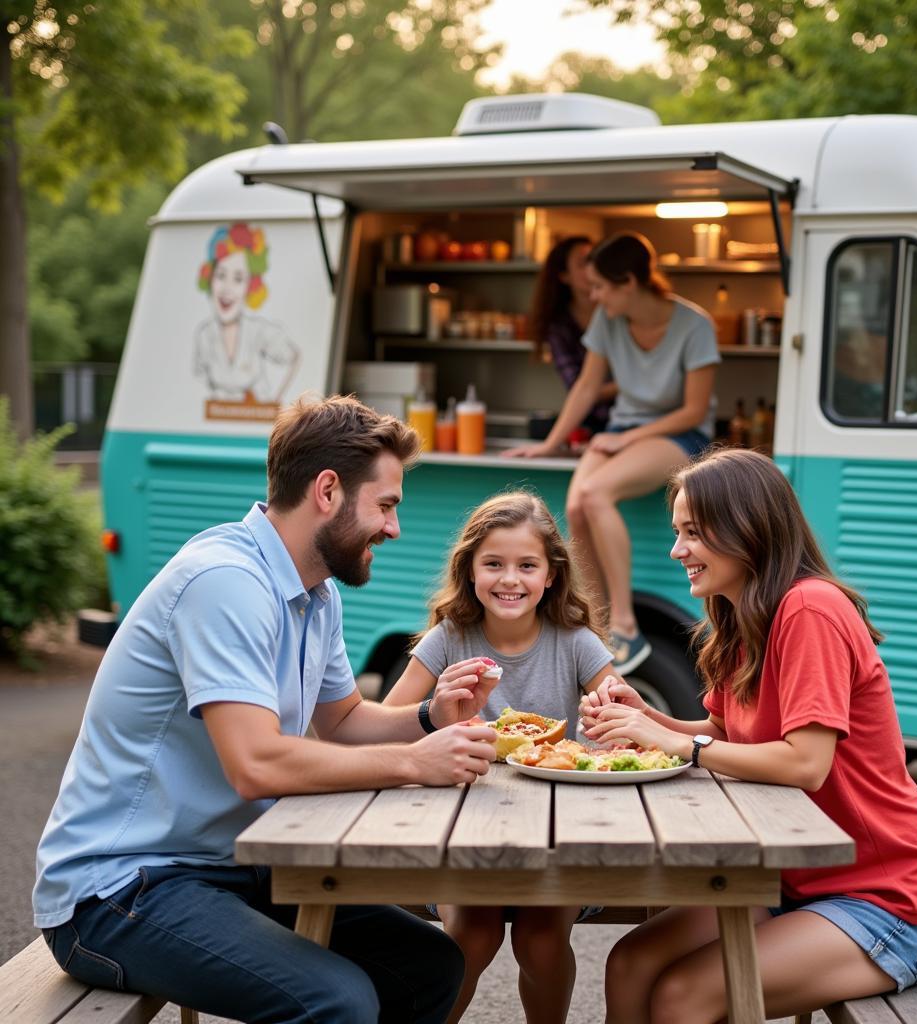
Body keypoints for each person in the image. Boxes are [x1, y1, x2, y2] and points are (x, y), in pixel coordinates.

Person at [33, 394, 501, 1024]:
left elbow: (341, 721)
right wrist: (416, 762)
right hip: (119, 889)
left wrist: (431, 717)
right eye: (386, 506)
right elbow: (254, 765)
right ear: (328, 491)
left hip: (229, 865)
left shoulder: (315, 591)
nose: (394, 528)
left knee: (431, 966)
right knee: (336, 1002)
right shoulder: (225, 582)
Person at [580, 447, 917, 1024]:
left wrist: (680, 745)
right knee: (630, 963)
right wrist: (648, 720)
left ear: (746, 529)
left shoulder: (811, 609)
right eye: (678, 531)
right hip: (791, 885)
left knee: (683, 997)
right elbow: (724, 732)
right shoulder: (741, 617)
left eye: (693, 533)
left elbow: (806, 762)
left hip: (886, 903)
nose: (677, 550)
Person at [384, 491, 618, 1024]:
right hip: (462, 835)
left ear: (551, 575)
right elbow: (386, 726)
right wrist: (436, 711)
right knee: (472, 932)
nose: (509, 579)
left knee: (539, 940)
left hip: (556, 840)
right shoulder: (449, 640)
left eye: (526, 566)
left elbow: (626, 724)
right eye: (493, 564)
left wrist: (604, 728)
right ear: (469, 570)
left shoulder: (577, 644)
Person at [506, 231, 719, 675]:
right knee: (576, 504)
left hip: (679, 435)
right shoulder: (609, 320)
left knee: (597, 492)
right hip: (622, 429)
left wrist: (625, 440)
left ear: (628, 283)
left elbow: (694, 410)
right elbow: (586, 386)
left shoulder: (695, 325)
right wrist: (550, 445)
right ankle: (597, 624)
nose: (592, 294)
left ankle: (625, 624)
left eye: (600, 286)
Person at [194, 221, 299, 405]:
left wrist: (276, 401)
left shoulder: (259, 330)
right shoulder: (204, 334)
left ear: (250, 286)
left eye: (238, 279)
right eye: (220, 276)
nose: (227, 288)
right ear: (210, 280)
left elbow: (294, 356)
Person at [530, 235, 615, 433]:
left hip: (639, 420)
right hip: (593, 422)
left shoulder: (618, 313)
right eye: (583, 263)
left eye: (594, 259)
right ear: (564, 275)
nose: (591, 268)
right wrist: (631, 383)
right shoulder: (560, 326)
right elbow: (580, 387)